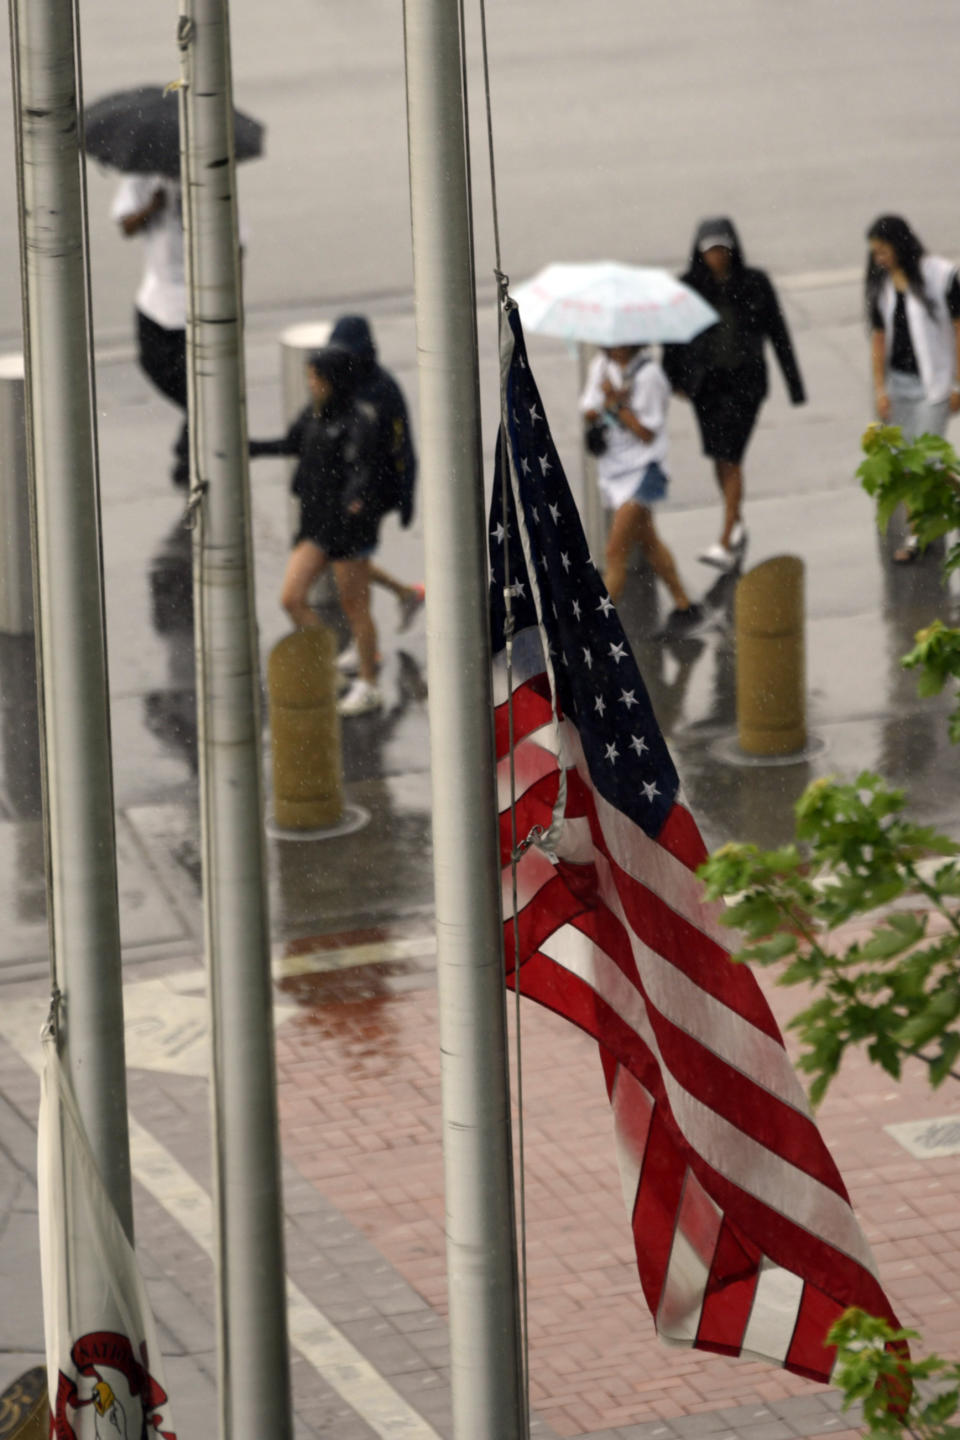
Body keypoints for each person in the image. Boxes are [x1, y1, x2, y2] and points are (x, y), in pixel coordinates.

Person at [250, 348, 396, 716]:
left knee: (355, 609)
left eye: (315, 377)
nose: (310, 383)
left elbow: (365, 470)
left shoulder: (357, 421)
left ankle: (369, 684)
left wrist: (354, 500)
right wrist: (247, 447)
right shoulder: (313, 413)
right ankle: (330, 668)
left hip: (347, 533)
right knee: (292, 599)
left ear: (332, 380)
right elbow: (290, 444)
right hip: (316, 527)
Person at [663, 217, 806, 571]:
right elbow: (672, 336)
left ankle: (725, 539)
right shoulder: (687, 287)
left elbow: (778, 332)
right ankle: (736, 521)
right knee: (719, 457)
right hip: (705, 388)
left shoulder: (755, 283)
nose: (717, 256)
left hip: (745, 386)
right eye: (710, 250)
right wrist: (672, 379)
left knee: (731, 456)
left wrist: (794, 385)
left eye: (722, 249)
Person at [580, 343, 704, 639]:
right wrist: (608, 401)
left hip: (644, 472)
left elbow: (647, 432)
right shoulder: (601, 367)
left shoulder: (649, 377)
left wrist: (618, 406)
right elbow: (589, 412)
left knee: (613, 552)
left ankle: (596, 630)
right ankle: (685, 605)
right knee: (650, 543)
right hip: (616, 471)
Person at [325, 315, 424, 665]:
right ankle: (404, 596)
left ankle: (368, 651)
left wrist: (406, 494)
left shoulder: (382, 389)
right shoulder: (343, 383)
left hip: (372, 493)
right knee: (349, 561)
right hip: (350, 491)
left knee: (348, 564)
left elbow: (403, 446)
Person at [865, 214, 960, 562]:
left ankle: (917, 534)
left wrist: (957, 383)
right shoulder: (883, 287)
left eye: (883, 250)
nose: (879, 259)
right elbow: (879, 340)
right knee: (910, 464)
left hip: (935, 383)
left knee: (925, 461)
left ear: (899, 244)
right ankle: (924, 524)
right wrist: (880, 390)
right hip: (899, 384)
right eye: (875, 253)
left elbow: (958, 327)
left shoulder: (940, 276)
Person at [111, 175, 189, 488]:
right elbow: (126, 226)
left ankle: (189, 453)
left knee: (200, 384)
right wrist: (151, 207)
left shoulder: (204, 172)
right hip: (157, 299)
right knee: (157, 366)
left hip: (197, 300)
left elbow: (238, 241)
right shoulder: (143, 177)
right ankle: (190, 445)